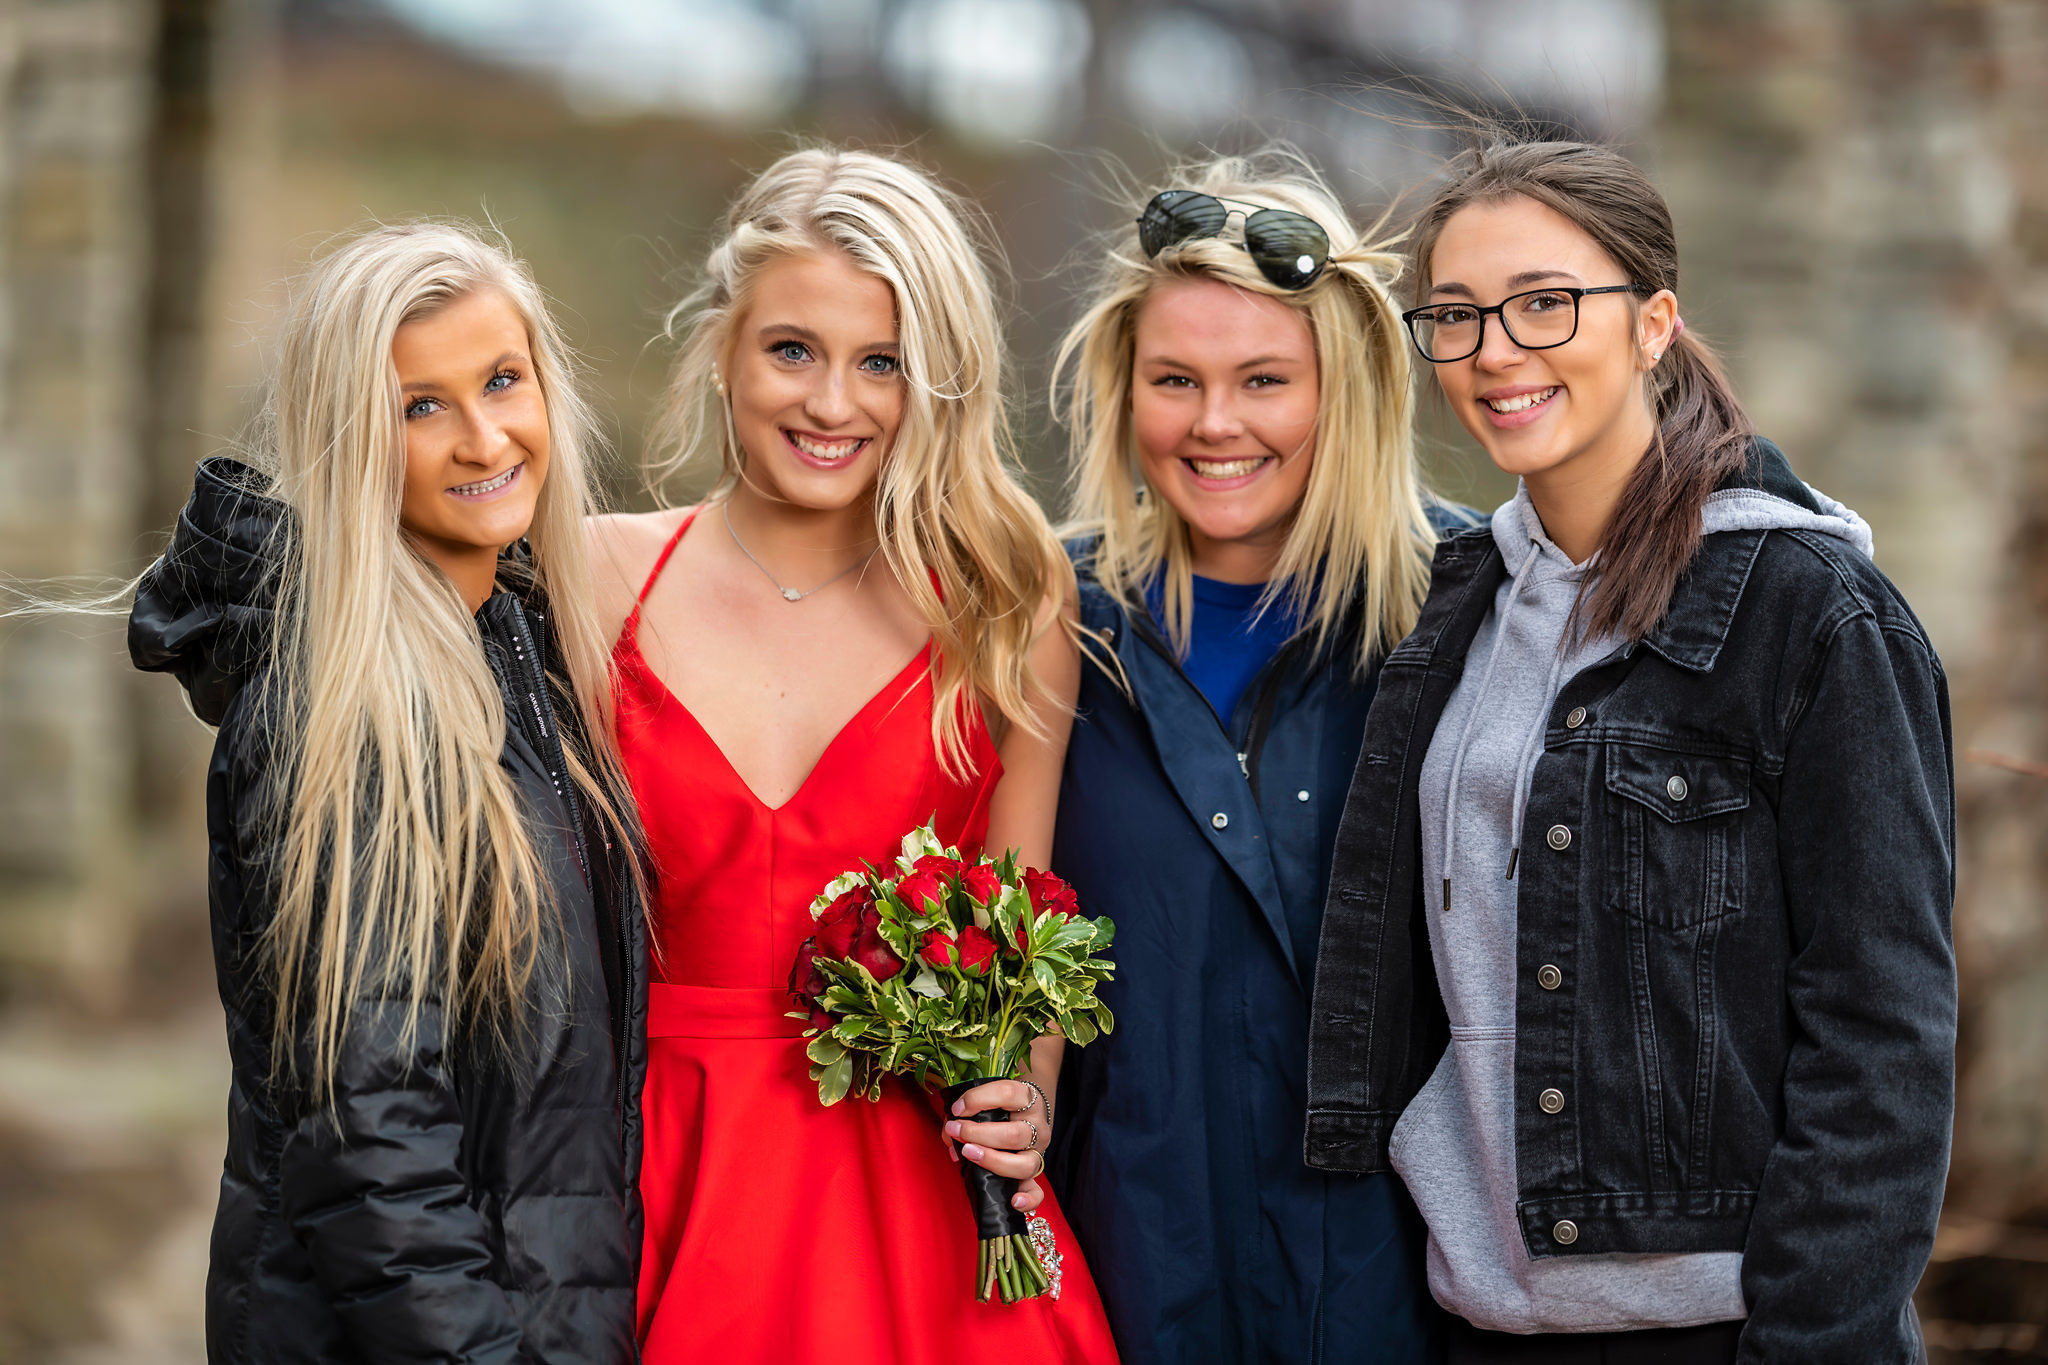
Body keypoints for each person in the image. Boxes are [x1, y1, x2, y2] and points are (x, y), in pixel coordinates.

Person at [1302, 136, 1956, 1364]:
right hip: (1477, 1324)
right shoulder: (1458, 610)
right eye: (1454, 315)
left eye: (1543, 303)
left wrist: (1813, 1340)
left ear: (1653, 322)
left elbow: (1883, 1040)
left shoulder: (1808, 612)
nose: (1495, 351)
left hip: (1725, 1331)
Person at [589, 147, 1118, 1362]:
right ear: (723, 346)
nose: (833, 404)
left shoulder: (1005, 605)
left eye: (881, 363)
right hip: (651, 1173)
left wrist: (1023, 1107)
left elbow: (1021, 923)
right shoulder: (590, 575)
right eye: (793, 350)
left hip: (919, 1207)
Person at [126, 223, 649, 1361]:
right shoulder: (349, 706)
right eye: (421, 407)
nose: (483, 437)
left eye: (502, 380)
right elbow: (369, 1131)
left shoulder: (516, 652)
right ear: (349, 438)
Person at [1044, 152, 1454, 1363]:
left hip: (1400, 1295)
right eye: (1174, 379)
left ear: (1345, 391)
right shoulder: (1041, 624)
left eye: (1263, 380)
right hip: (1119, 1276)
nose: (1213, 425)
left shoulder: (1469, 612)